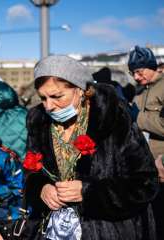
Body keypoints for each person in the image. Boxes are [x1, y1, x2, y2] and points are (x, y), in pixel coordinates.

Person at [23, 55, 159, 239]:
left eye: (57, 96)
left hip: (111, 231)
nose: (49, 106)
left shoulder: (113, 118)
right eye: (43, 98)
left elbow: (145, 183)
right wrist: (41, 189)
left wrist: (88, 192)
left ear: (80, 90)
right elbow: (30, 173)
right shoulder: (39, 122)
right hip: (55, 231)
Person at [128, 46, 164, 238]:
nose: (136, 77)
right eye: (133, 72)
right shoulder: (140, 91)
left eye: (139, 71)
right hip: (144, 165)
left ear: (152, 67)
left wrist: (138, 117)